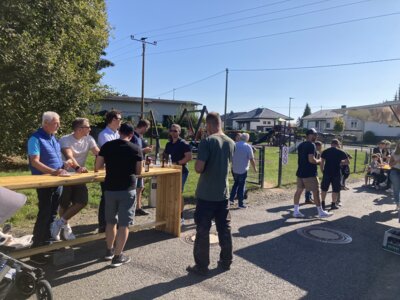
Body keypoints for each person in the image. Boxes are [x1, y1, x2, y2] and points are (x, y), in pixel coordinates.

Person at [186, 112, 235, 275]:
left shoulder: (207, 141)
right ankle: (226, 260)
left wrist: (196, 163)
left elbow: (199, 168)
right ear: (220, 123)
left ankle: (201, 266)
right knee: (224, 228)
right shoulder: (231, 142)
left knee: (203, 231)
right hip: (223, 193)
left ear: (208, 125)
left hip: (206, 194)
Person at [95, 123, 143, 267]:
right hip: (127, 188)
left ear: (119, 132)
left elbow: (97, 166)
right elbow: (139, 172)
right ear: (131, 135)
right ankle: (118, 256)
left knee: (110, 222)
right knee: (124, 224)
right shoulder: (135, 149)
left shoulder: (107, 146)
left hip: (109, 188)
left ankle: (109, 251)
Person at [27, 111, 70, 264]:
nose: (58, 125)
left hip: (57, 182)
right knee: (44, 213)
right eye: (56, 122)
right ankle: (36, 251)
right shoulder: (35, 138)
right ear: (46, 123)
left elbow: (55, 160)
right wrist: (55, 171)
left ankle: (47, 244)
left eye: (58, 122)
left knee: (52, 214)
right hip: (44, 183)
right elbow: (35, 162)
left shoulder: (53, 138)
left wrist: (64, 166)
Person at [50, 118, 99, 241]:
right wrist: (77, 167)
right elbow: (68, 155)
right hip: (65, 175)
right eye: (88, 127)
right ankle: (65, 228)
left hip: (78, 176)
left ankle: (59, 223)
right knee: (64, 204)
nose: (90, 129)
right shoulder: (65, 139)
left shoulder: (89, 138)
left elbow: (98, 152)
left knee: (82, 201)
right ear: (79, 129)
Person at [293, 128, 330, 218]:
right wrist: (319, 161)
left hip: (300, 172)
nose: (316, 136)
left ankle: (296, 211)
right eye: (315, 134)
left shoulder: (301, 145)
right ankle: (320, 212)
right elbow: (311, 160)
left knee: (299, 191)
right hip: (309, 173)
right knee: (316, 192)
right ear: (310, 135)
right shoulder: (311, 145)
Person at [97, 110, 122, 233]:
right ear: (113, 120)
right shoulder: (104, 134)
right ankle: (102, 224)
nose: (121, 122)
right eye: (119, 119)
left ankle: (112, 222)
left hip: (117, 169)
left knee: (115, 196)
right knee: (106, 196)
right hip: (107, 170)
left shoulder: (117, 134)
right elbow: (111, 151)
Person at [163, 124, 192, 224]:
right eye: (171, 131)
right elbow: (165, 157)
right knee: (171, 193)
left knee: (178, 194)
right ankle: (171, 215)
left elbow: (189, 157)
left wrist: (177, 163)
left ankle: (181, 217)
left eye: (175, 131)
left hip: (181, 171)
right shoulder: (168, 144)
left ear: (179, 132)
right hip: (170, 171)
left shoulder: (183, 143)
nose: (173, 133)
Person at [229, 133, 257, 208]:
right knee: (241, 186)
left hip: (234, 169)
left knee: (236, 184)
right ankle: (240, 204)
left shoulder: (235, 144)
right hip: (243, 169)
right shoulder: (248, 146)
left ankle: (231, 200)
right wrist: (255, 168)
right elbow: (251, 159)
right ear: (247, 139)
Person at [131, 119, 153, 216]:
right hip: (134, 166)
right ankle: (132, 208)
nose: (146, 130)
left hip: (141, 164)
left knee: (140, 187)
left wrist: (146, 151)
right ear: (143, 127)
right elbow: (132, 149)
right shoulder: (132, 136)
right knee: (135, 187)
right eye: (147, 128)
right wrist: (144, 150)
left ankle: (138, 208)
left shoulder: (140, 136)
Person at [320, 139, 349, 210]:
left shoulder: (325, 151)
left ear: (331, 144)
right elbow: (347, 162)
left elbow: (322, 162)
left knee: (324, 188)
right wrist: (340, 162)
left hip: (327, 172)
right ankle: (333, 204)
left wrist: (322, 170)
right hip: (336, 172)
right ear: (338, 144)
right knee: (335, 189)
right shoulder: (341, 152)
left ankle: (322, 203)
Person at [389, 142, 400, 210]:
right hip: (395, 171)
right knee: (396, 189)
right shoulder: (394, 153)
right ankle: (397, 204)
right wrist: (396, 161)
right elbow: (390, 164)